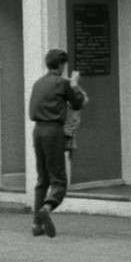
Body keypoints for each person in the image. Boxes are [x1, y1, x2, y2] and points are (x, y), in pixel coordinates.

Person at [29, 49, 86, 238]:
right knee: (59, 180)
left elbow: (32, 110)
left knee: (42, 179)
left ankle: (36, 225)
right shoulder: (63, 83)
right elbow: (77, 103)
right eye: (64, 64)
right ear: (61, 65)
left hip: (37, 130)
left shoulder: (38, 83)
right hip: (53, 131)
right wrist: (75, 84)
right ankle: (47, 207)